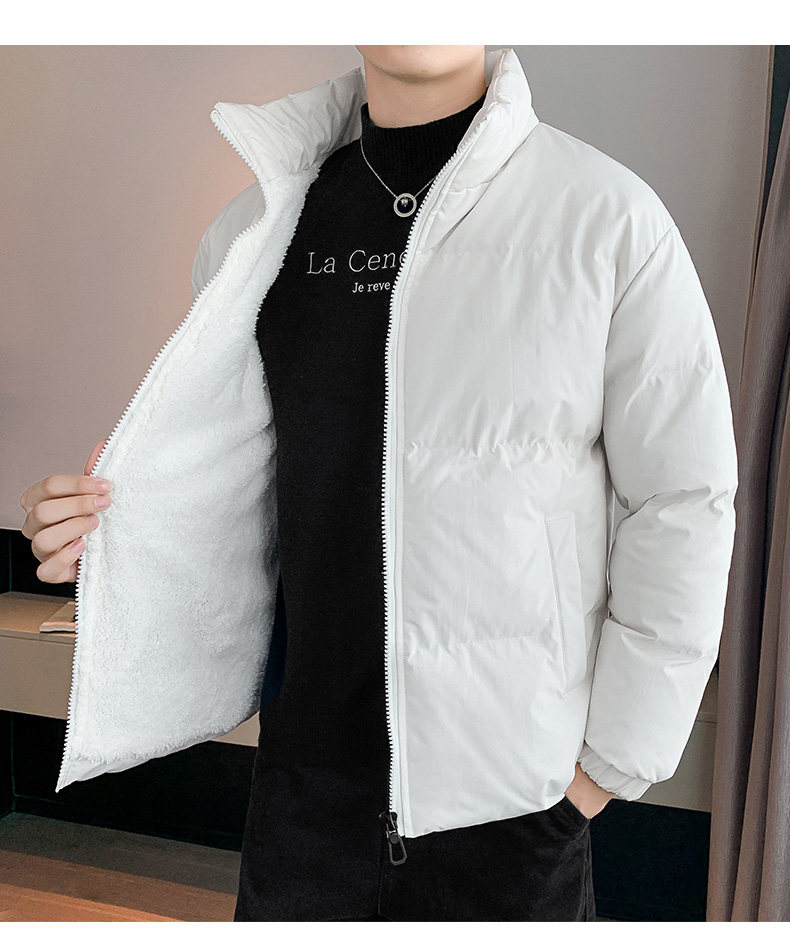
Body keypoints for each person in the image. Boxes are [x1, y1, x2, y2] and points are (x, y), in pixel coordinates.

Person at [19, 46, 738, 921]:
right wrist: (108, 536)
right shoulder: (257, 228)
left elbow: (683, 502)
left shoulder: (606, 217)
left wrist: (604, 772)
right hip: (303, 802)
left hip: (517, 805)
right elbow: (242, 497)